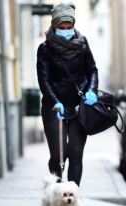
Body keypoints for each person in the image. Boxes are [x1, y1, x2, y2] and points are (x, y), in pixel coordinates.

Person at [36, 2, 98, 186]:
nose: (66, 30)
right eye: (61, 27)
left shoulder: (82, 44)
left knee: (76, 154)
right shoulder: (45, 49)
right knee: (58, 155)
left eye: (69, 27)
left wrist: (91, 91)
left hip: (80, 107)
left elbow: (92, 70)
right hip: (54, 108)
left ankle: (72, 199)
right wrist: (54, 101)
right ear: (54, 26)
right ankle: (56, 195)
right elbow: (44, 79)